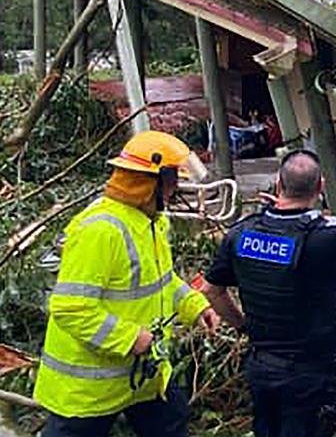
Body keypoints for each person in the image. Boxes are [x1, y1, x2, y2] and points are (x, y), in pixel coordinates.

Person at [35, 130, 220, 436]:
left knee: (172, 421)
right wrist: (130, 338)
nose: (176, 188)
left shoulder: (152, 221)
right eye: (173, 178)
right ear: (151, 183)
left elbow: (161, 282)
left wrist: (195, 306)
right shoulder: (100, 231)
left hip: (143, 374)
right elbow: (71, 308)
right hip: (88, 387)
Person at [202, 149, 336, 437]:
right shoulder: (334, 236)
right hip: (310, 372)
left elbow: (212, 291)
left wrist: (244, 327)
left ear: (278, 184)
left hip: (261, 366)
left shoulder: (241, 234)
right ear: (320, 187)